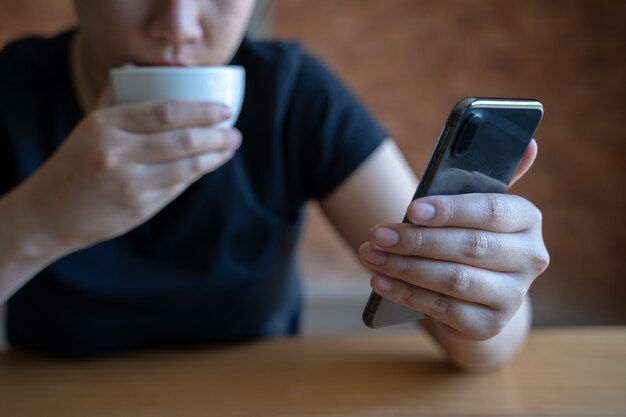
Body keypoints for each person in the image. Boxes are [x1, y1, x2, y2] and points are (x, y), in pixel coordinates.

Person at [0, 0, 548, 370]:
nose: (178, 24)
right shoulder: (13, 90)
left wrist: (487, 295)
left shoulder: (292, 94)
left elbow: (483, 348)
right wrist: (37, 222)